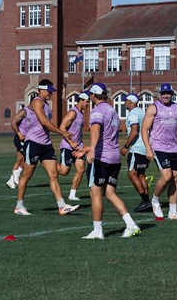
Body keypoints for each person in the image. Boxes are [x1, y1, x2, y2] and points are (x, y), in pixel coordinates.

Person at [82, 84, 141, 239]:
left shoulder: (97, 111)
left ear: (93, 96)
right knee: (109, 193)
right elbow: (107, 136)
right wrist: (88, 148)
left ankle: (97, 230)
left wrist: (92, 149)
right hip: (114, 157)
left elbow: (95, 130)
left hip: (103, 158)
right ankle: (131, 224)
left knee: (95, 192)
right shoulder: (113, 111)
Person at [14, 79, 79, 216]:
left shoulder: (46, 105)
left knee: (54, 174)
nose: (50, 93)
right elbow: (44, 122)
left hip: (46, 144)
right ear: (41, 90)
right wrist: (63, 133)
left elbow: (48, 123)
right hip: (34, 143)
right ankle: (19, 206)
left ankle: (61, 206)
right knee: (27, 175)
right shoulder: (37, 102)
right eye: (49, 91)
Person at [140, 83, 177, 221]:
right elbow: (144, 129)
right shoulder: (154, 108)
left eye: (168, 93)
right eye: (163, 93)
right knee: (166, 177)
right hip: (159, 148)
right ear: (160, 94)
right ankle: (154, 200)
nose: (166, 95)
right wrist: (148, 148)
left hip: (175, 148)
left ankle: (173, 212)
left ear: (172, 94)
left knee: (175, 179)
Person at [120, 93, 152, 213]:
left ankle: (145, 201)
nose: (124, 103)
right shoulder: (142, 112)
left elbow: (134, 131)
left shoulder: (133, 114)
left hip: (137, 148)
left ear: (131, 102)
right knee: (141, 174)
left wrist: (125, 147)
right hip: (146, 147)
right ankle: (147, 201)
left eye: (126, 101)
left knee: (132, 174)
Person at [57, 91, 89, 201]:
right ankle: (47, 161)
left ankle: (72, 194)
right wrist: (71, 143)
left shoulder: (81, 113)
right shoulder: (72, 112)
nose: (88, 104)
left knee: (81, 169)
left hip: (78, 146)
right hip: (67, 145)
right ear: (80, 100)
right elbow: (61, 128)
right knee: (64, 171)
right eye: (86, 101)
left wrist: (79, 144)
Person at [6, 105, 31, 188]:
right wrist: (19, 134)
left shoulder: (37, 113)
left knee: (20, 160)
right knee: (27, 157)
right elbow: (13, 123)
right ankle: (17, 173)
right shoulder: (24, 111)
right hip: (20, 139)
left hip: (27, 140)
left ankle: (11, 180)